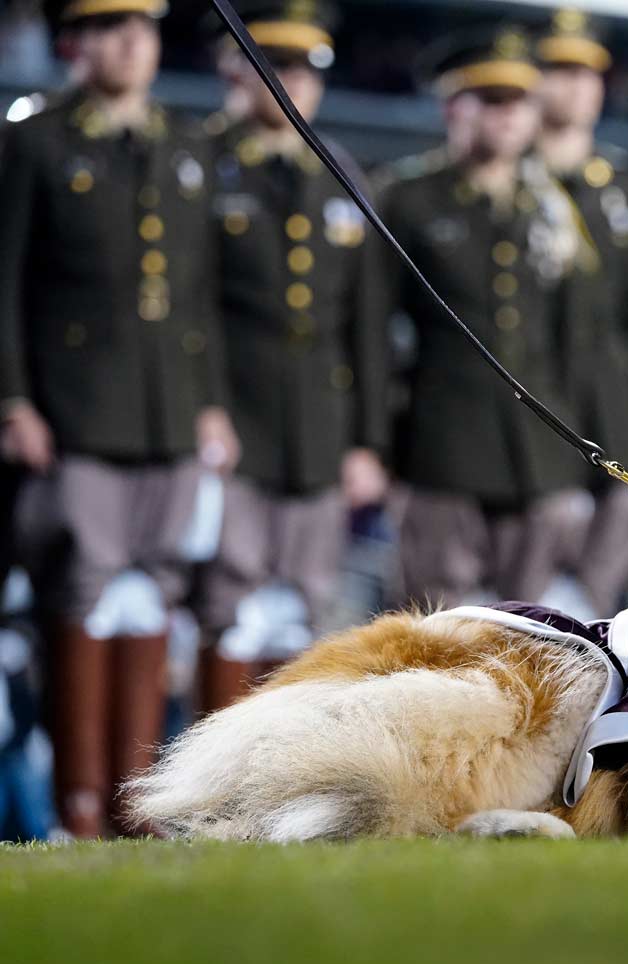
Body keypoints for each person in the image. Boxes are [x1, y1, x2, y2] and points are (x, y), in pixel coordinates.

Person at [0, 0, 237, 836]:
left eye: (141, 24)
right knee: (86, 597)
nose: (131, 41)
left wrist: (207, 399)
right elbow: (7, 280)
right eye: (109, 25)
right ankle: (77, 808)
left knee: (151, 601)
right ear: (76, 41)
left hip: (167, 411)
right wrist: (13, 398)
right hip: (76, 411)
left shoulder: (181, 145)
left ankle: (138, 808)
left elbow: (197, 294)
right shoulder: (34, 137)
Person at [194, 1, 387, 711]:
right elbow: (191, 306)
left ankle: (274, 780)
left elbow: (363, 321)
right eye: (274, 64)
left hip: (320, 426)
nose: (292, 82)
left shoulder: (338, 167)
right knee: (230, 598)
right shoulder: (201, 160)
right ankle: (205, 786)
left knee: (306, 603)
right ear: (233, 70)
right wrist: (204, 407)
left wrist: (367, 440)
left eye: (306, 68)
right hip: (235, 419)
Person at [376, 26, 589, 608]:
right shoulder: (408, 197)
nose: (507, 116)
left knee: (528, 626)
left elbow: (573, 340)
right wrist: (375, 443)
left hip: (537, 451)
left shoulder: (553, 206)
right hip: (442, 444)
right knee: (435, 619)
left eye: (519, 101)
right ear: (453, 106)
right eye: (490, 100)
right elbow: (373, 333)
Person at [532, 7, 628, 610]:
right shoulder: (509, 181)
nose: (575, 86)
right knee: (523, 603)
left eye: (588, 73)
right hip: (533, 416)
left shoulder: (623, 188)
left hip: (614, 419)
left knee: (600, 602)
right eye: (559, 70)